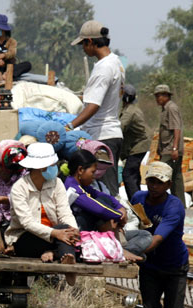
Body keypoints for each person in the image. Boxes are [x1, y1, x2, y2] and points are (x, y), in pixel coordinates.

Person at [131, 162, 192, 308]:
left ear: (168, 185)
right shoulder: (138, 199)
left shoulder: (174, 207)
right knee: (150, 307)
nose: (154, 186)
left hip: (174, 265)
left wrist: (132, 254)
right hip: (149, 265)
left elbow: (157, 239)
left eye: (159, 182)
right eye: (151, 181)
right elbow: (132, 225)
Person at [5, 143, 79, 285]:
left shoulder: (57, 183)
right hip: (25, 238)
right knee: (60, 232)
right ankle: (59, 255)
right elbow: (27, 223)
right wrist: (56, 233)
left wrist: (72, 229)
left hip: (57, 236)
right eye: (52, 164)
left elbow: (65, 212)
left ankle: (59, 255)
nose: (54, 168)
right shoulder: (19, 188)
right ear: (41, 167)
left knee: (67, 228)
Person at [67, 20, 125, 196]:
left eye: (83, 44)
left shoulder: (103, 68)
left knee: (107, 192)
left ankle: (117, 220)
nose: (83, 49)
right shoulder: (116, 62)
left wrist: (70, 126)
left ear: (90, 42)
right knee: (102, 190)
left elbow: (93, 105)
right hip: (111, 132)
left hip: (102, 137)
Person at [64, 150, 150, 261]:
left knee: (146, 235)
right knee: (100, 207)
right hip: (79, 232)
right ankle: (117, 249)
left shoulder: (82, 185)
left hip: (95, 230)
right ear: (80, 170)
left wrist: (121, 207)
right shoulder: (73, 188)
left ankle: (116, 248)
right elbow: (99, 209)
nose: (94, 176)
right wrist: (119, 216)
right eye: (92, 172)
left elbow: (103, 196)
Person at [154, 84, 185, 207]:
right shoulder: (165, 108)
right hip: (166, 148)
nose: (157, 99)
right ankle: (179, 205)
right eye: (156, 96)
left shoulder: (171, 108)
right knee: (175, 178)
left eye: (159, 96)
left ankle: (172, 205)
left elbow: (176, 129)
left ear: (166, 95)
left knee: (162, 176)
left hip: (170, 149)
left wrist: (175, 148)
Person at [119, 84, 151, 201]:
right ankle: (139, 199)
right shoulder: (129, 108)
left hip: (139, 145)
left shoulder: (129, 112)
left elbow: (120, 127)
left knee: (128, 174)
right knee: (134, 174)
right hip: (138, 144)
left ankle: (136, 203)